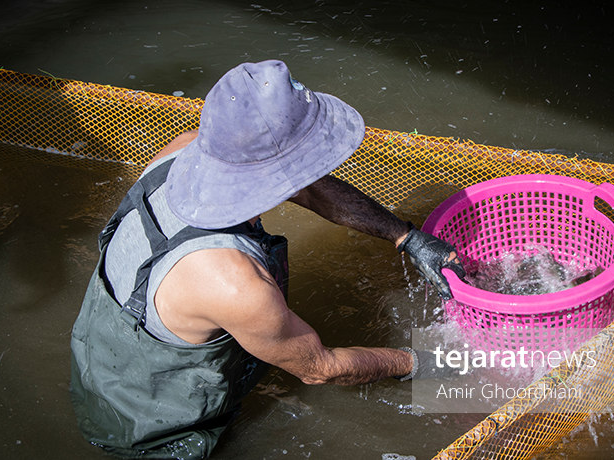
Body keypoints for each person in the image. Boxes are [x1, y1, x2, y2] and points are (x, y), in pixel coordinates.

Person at [69, 59, 465, 459]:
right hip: (154, 424)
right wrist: (422, 362)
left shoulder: (188, 149)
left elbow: (306, 188)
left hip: (99, 358)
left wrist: (406, 237)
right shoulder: (235, 284)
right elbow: (319, 368)